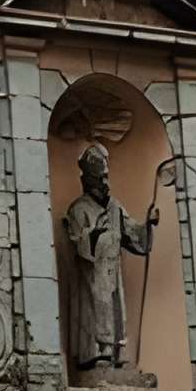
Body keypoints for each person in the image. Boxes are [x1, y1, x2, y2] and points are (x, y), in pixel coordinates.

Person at [62, 143, 154, 378]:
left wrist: (148, 224)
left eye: (105, 176)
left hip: (113, 272)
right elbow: (76, 241)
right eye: (98, 177)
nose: (103, 182)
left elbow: (132, 233)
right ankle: (95, 355)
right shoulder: (79, 208)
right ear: (87, 179)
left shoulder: (115, 207)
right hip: (91, 277)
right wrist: (92, 235)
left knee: (116, 309)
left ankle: (116, 353)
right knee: (95, 311)